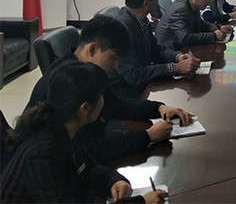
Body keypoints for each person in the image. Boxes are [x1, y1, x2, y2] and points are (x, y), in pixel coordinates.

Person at [25, 15, 194, 164]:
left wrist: (158, 108)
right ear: (92, 49)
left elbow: (116, 105)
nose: (116, 66)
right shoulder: (66, 84)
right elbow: (89, 148)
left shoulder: (88, 73)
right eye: (113, 58)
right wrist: (147, 136)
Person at [1, 61, 168, 203]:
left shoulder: (62, 129)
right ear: (85, 108)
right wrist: (142, 201)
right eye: (101, 96)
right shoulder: (41, 154)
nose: (104, 101)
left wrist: (113, 180)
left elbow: (88, 167)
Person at [111, 0, 200, 98]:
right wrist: (175, 68)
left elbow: (155, 49)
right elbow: (134, 74)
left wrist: (178, 57)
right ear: (146, 3)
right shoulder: (122, 29)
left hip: (143, 84)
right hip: (128, 93)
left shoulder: (141, 20)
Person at [156, 0, 234, 50]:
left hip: (183, 48)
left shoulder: (193, 5)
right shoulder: (180, 9)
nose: (209, 1)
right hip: (171, 51)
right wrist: (214, 36)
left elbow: (201, 24)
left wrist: (219, 27)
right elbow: (185, 38)